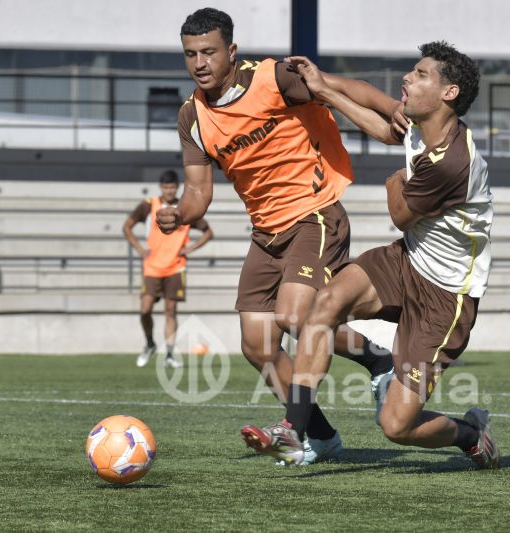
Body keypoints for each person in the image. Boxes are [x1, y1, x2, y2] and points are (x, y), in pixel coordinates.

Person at [156, 8, 401, 463]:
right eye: (190, 54)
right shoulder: (192, 117)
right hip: (266, 234)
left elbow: (343, 88)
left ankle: (375, 360)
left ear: (231, 51)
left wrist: (394, 111)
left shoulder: (274, 78)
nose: (199, 63)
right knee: (257, 344)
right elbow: (197, 193)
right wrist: (178, 215)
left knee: (294, 317)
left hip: (315, 215)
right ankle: (321, 437)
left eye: (209, 51)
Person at [241, 42, 501, 469]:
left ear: (448, 93)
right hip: (406, 260)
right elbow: (376, 120)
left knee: (397, 426)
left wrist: (393, 181)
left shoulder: (452, 161)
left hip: (446, 297)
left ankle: (469, 433)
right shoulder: (426, 122)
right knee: (324, 305)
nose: (407, 79)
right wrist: (323, 88)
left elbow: (399, 212)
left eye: (420, 74)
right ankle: (293, 429)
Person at [123, 169, 213, 368]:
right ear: (161, 188)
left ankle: (170, 354)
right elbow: (127, 226)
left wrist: (189, 248)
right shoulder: (149, 206)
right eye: (166, 187)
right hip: (152, 267)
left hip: (175, 267)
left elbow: (208, 232)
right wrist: (139, 249)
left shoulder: (185, 208)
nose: (169, 191)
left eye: (172, 187)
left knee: (170, 310)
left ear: (177, 187)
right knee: (145, 309)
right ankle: (149, 343)